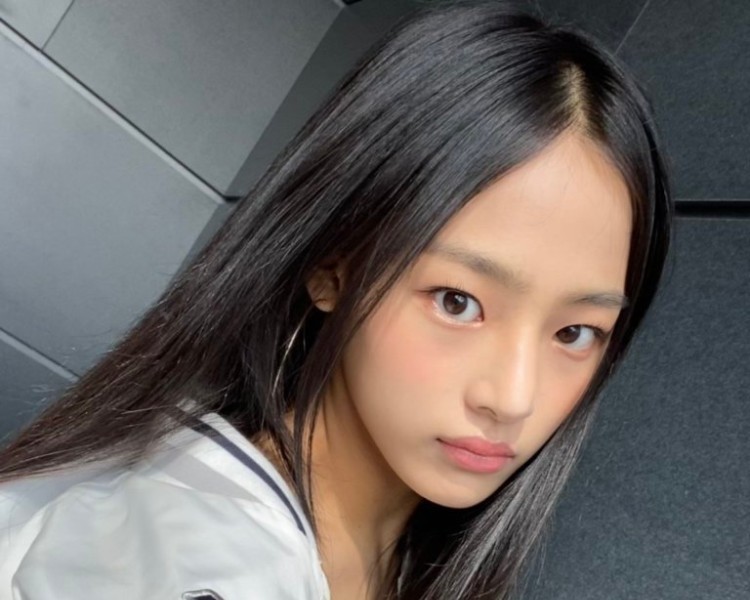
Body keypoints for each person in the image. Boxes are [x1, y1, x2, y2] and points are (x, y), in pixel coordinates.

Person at [0, 1, 672, 598]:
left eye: (575, 333)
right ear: (332, 266)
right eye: (457, 301)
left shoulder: (398, 561)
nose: (514, 398)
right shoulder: (190, 552)